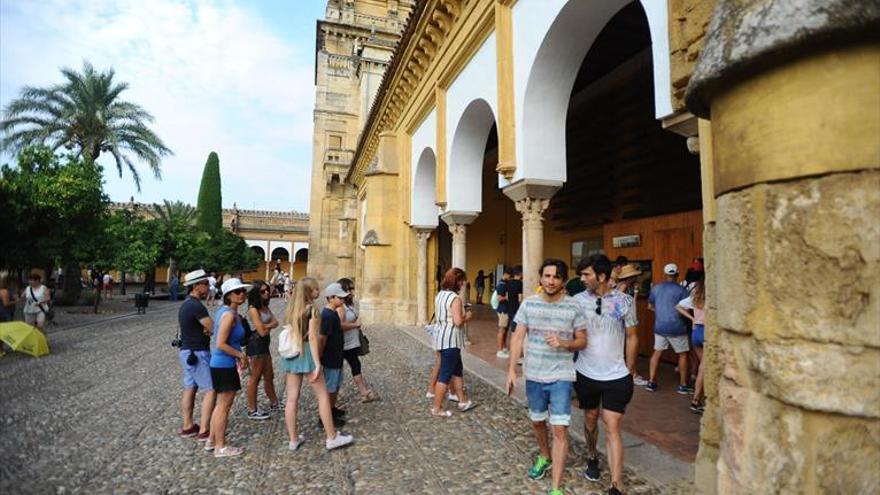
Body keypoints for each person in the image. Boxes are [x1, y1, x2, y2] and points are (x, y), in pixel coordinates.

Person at [505, 259, 587, 495]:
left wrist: (565, 343)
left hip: (562, 375)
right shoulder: (529, 304)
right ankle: (544, 455)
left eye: (556, 277)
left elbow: (582, 341)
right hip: (534, 374)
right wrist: (512, 369)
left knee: (560, 429)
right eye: (547, 276)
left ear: (563, 281)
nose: (551, 281)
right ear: (541, 278)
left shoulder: (573, 307)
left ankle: (555, 488)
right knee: (537, 421)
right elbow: (518, 337)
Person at [575, 255, 638, 495]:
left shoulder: (624, 301)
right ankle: (592, 455)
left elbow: (632, 336)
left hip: (616, 375)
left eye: (586, 274)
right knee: (590, 420)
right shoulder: (577, 301)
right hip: (586, 373)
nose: (582, 279)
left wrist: (630, 369)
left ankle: (616, 483)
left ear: (601, 276)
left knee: (612, 425)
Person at [280, 277, 353, 451]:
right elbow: (313, 337)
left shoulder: (291, 309)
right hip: (305, 353)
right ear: (309, 291)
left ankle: (293, 439)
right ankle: (331, 436)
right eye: (315, 289)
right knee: (322, 397)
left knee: (291, 398)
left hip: (292, 354)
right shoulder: (311, 309)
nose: (318, 291)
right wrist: (317, 363)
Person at [207, 278, 252, 457]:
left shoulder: (229, 313)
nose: (242, 294)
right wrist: (240, 355)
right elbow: (220, 344)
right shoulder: (228, 315)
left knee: (221, 405)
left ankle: (212, 440)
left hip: (222, 364)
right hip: (223, 364)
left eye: (243, 291)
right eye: (237, 292)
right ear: (228, 296)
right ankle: (221, 446)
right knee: (223, 406)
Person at [431, 267, 477, 417]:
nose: (463, 284)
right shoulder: (455, 298)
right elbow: (458, 322)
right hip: (451, 340)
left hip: (441, 338)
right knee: (445, 374)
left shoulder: (440, 295)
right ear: (457, 281)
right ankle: (437, 408)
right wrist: (467, 316)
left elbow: (446, 314)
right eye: (462, 281)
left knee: (457, 370)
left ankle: (462, 400)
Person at [176, 270, 216, 443]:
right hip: (198, 352)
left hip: (186, 352)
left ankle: (188, 426)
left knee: (190, 388)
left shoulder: (186, 304)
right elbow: (211, 326)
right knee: (210, 390)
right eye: (205, 283)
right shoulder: (196, 306)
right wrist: (208, 329)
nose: (208, 287)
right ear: (196, 285)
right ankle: (205, 430)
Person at [646, 263, 691, 393]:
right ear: (677, 274)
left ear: (665, 274)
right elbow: (686, 308)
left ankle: (651, 382)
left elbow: (649, 307)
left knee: (657, 353)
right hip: (677, 326)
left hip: (660, 326)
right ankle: (683, 385)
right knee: (682, 354)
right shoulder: (682, 291)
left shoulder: (656, 288)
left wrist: (660, 311)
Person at [337, 278, 380, 403]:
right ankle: (333, 395)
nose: (352, 291)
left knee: (355, 365)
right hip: (343, 343)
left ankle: (364, 392)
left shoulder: (349, 304)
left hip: (351, 342)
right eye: (350, 288)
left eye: (352, 288)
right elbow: (339, 325)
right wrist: (355, 325)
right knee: (339, 369)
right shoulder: (341, 307)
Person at [244, 280, 281, 420]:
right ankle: (252, 409)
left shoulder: (264, 307)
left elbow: (276, 322)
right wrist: (268, 326)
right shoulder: (253, 309)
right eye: (263, 291)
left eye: (267, 290)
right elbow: (262, 332)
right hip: (256, 345)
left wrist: (267, 325)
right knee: (255, 377)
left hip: (264, 344)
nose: (266, 293)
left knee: (269, 375)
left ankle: (274, 402)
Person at [320, 282, 350, 424]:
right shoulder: (327, 315)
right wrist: (319, 358)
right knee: (330, 388)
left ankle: (331, 408)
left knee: (336, 385)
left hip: (336, 355)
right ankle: (326, 416)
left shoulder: (333, 314)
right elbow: (322, 338)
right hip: (330, 357)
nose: (342, 300)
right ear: (331, 298)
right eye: (340, 298)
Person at [677, 279, 706, 413]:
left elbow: (678, 306)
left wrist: (692, 319)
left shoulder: (696, 294)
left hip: (696, 332)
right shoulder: (712, 294)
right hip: (706, 331)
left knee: (703, 366)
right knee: (703, 368)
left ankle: (700, 397)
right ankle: (695, 400)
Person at [495, 267, 512, 358]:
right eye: (510, 276)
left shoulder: (505, 283)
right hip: (503, 310)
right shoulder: (502, 284)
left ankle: (504, 347)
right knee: (502, 330)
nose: (510, 278)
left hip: (505, 310)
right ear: (506, 274)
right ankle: (499, 350)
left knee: (505, 330)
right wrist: (508, 298)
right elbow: (499, 298)